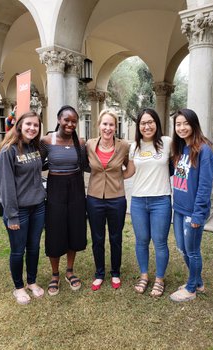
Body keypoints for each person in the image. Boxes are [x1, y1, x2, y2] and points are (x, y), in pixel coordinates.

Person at [0, 111, 46, 305]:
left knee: (34, 247)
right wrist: (12, 215)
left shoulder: (34, 147)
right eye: (28, 125)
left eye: (36, 125)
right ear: (20, 126)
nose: (32, 128)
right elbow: (5, 186)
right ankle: (19, 287)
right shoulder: (9, 150)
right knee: (18, 250)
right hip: (19, 211)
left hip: (38, 207)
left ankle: (31, 281)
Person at [123, 108, 172, 297]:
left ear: (157, 123)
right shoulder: (134, 146)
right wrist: (108, 172)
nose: (147, 126)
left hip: (161, 200)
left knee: (160, 242)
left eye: (150, 122)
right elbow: (129, 172)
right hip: (138, 201)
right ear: (139, 126)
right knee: (141, 241)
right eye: (143, 123)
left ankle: (159, 279)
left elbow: (179, 161)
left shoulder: (167, 143)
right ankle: (144, 275)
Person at [169, 108, 213, 302]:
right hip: (178, 208)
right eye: (178, 124)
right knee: (182, 248)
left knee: (193, 251)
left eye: (185, 123)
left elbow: (205, 186)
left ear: (194, 124)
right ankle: (197, 281)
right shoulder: (180, 149)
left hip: (193, 212)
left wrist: (198, 215)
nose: (181, 128)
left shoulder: (204, 150)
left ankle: (191, 288)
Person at [40, 105, 87, 296]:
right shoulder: (46, 141)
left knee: (74, 227)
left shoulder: (80, 142)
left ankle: (69, 271)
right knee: (55, 228)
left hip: (75, 187)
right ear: (59, 119)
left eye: (74, 121)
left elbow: (85, 165)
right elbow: (36, 165)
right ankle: (54, 274)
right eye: (66, 120)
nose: (70, 124)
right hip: (55, 188)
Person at [86, 109, 129, 291]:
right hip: (94, 198)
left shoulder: (124, 146)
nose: (108, 128)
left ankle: (116, 272)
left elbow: (130, 168)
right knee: (97, 238)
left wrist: (118, 179)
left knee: (115, 237)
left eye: (111, 124)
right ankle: (99, 273)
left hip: (116, 199)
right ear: (99, 125)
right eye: (105, 124)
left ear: (115, 127)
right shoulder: (89, 145)